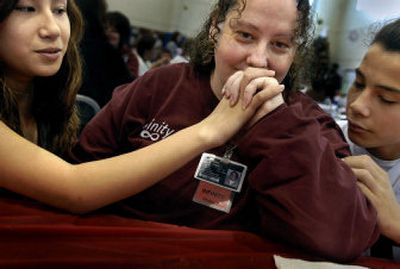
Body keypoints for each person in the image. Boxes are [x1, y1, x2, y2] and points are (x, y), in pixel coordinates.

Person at [69, 0, 379, 262]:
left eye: (280, 44)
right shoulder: (159, 88)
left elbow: (341, 237)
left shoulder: (312, 126)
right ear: (217, 26)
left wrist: (276, 126)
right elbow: (83, 168)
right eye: (245, 35)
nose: (258, 59)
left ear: (295, 52)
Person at [0, 1, 283, 217]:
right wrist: (211, 129)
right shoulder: (159, 85)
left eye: (59, 9)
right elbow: (74, 188)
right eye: (26, 8)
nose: (52, 29)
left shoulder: (45, 99)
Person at [340, 18, 400, 260]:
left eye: (386, 98)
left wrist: (396, 226)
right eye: (359, 83)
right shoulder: (322, 143)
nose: (357, 105)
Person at [76, 0, 134, 107]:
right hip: (96, 119)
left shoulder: (62, 48)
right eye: (107, 27)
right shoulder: (109, 54)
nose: (108, 32)